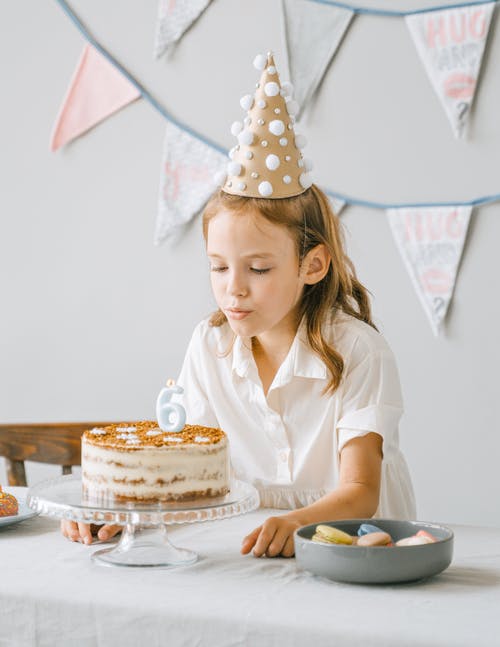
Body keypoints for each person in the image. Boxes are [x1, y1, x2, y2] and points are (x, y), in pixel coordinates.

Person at [61, 52, 415, 553]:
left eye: (259, 268)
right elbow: (188, 475)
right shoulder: (210, 346)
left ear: (312, 266)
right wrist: (119, 514)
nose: (234, 288)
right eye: (219, 266)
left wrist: (295, 523)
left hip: (358, 551)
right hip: (248, 549)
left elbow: (360, 491)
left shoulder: (358, 351)